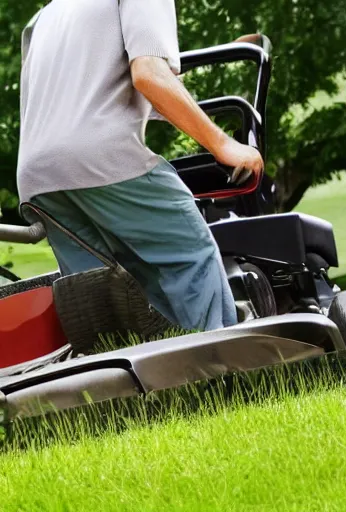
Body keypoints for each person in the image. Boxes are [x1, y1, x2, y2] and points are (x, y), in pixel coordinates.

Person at [16, 0, 264, 332]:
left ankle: (117, 378)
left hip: (37, 175)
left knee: (98, 292)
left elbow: (84, 93)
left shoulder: (46, 16)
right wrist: (223, 144)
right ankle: (227, 375)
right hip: (99, 156)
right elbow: (148, 75)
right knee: (190, 258)